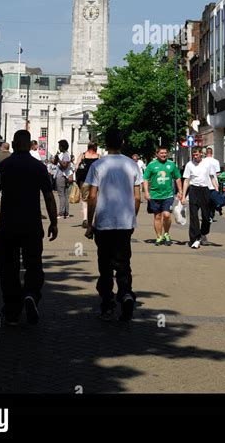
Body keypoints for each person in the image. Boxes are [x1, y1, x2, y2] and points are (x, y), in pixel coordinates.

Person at [0, 129, 58, 326]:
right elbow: (48, 196)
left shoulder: (1, 168)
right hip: (31, 225)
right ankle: (30, 293)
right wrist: (54, 222)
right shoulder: (39, 168)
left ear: (12, 144)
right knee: (34, 264)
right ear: (30, 145)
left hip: (7, 226)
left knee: (8, 268)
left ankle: (12, 310)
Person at [84, 127, 141, 321]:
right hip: (125, 224)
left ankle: (107, 305)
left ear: (105, 144)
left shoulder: (98, 166)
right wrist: (133, 217)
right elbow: (137, 197)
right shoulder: (132, 165)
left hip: (104, 223)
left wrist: (90, 223)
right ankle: (125, 294)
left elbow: (92, 196)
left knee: (105, 266)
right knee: (124, 263)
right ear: (122, 142)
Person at [143, 146, 182, 246]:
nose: (164, 155)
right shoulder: (151, 165)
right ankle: (159, 237)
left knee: (167, 215)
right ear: (157, 154)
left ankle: (167, 233)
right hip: (154, 195)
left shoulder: (171, 164)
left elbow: (177, 178)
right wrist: (146, 192)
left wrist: (180, 191)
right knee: (157, 216)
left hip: (168, 195)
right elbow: (145, 179)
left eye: (165, 153)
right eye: (161, 153)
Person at [181, 148, 218, 248]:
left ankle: (203, 233)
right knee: (193, 216)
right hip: (193, 190)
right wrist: (183, 196)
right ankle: (195, 239)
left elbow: (212, 177)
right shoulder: (189, 165)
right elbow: (186, 180)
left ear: (201, 154)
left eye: (197, 154)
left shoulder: (207, 164)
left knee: (206, 216)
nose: (195, 156)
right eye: (194, 155)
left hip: (205, 190)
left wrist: (216, 188)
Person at [75, 142, 99, 228]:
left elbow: (76, 167)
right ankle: (92, 220)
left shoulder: (83, 155)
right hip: (95, 181)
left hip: (84, 180)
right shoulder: (99, 157)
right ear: (95, 147)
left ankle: (85, 219)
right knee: (93, 199)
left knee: (84, 200)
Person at [53, 139, 72, 219]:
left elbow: (64, 166)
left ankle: (61, 212)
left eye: (59, 146)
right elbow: (54, 163)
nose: (59, 147)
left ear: (62, 146)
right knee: (64, 195)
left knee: (62, 195)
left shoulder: (66, 155)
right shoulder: (62, 154)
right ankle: (65, 212)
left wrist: (59, 159)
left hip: (62, 176)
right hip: (62, 175)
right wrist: (56, 158)